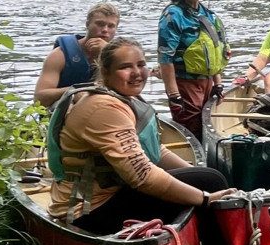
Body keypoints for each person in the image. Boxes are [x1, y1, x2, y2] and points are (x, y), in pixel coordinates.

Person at [46, 37, 234, 232]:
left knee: (204, 177)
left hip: (110, 197)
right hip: (88, 210)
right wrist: (205, 197)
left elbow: (154, 149)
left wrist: (191, 173)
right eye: (125, 67)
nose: (136, 73)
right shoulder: (104, 108)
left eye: (141, 64)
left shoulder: (122, 97)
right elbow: (142, 175)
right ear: (105, 72)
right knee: (209, 181)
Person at [158, 0, 230, 138]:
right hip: (185, 83)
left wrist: (218, 84)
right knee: (192, 128)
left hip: (207, 83)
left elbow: (214, 50)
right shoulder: (173, 15)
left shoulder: (208, 14)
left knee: (208, 127)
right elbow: (165, 59)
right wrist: (174, 95)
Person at [34, 2, 121, 107]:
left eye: (111, 26)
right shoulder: (60, 55)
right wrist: (73, 92)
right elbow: (39, 98)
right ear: (87, 24)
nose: (105, 30)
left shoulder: (116, 57)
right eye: (100, 24)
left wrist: (106, 52)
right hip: (65, 107)